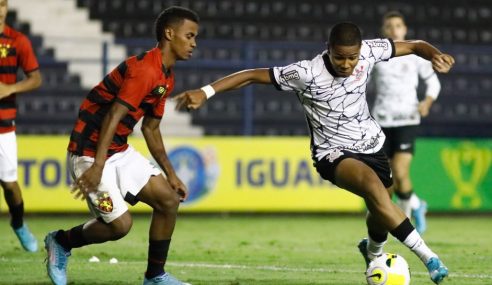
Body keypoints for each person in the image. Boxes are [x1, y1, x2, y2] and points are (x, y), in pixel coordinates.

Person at [175, 22, 454, 284]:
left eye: (352, 58)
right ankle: (429, 258)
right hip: (332, 153)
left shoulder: (370, 50)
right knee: (374, 190)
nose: (346, 64)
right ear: (328, 49)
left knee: (383, 204)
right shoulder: (305, 73)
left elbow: (415, 45)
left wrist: (435, 55)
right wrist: (206, 91)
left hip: (372, 144)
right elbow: (250, 76)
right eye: (339, 57)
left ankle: (373, 252)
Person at [44, 6, 198, 285]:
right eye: (189, 36)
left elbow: (150, 128)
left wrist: (172, 175)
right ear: (169, 33)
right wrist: (98, 166)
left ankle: (155, 277)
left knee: (168, 201)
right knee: (119, 226)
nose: (193, 43)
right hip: (88, 155)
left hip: (118, 150)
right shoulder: (145, 70)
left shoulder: (166, 76)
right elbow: (114, 115)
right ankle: (61, 241)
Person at [370, 11, 441, 235]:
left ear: (405, 29)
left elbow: (433, 84)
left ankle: (405, 223)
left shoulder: (414, 55)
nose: (394, 29)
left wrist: (427, 102)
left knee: (400, 172)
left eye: (398, 25)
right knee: (388, 178)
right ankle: (418, 205)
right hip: (380, 120)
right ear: (384, 30)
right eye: (389, 26)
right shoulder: (376, 55)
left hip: (407, 119)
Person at [0, 0, 42, 252]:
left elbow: (36, 78)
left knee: (9, 183)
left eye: (2, 4)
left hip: (3, 125)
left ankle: (18, 223)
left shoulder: (17, 41)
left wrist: (10, 88)